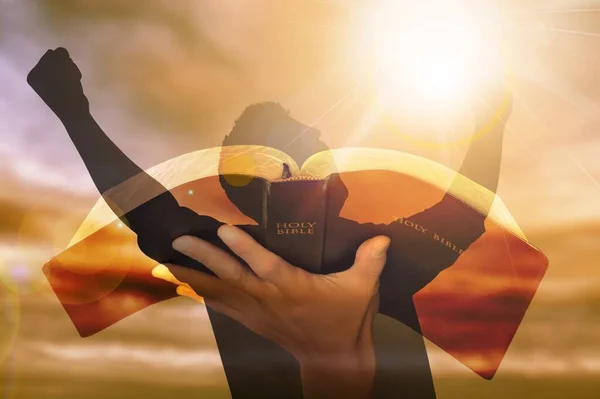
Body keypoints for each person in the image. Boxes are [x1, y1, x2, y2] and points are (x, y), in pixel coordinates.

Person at [28, 47, 512, 398]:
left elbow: (151, 216)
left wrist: (76, 116)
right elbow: (463, 213)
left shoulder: (238, 258)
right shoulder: (376, 253)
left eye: (318, 140)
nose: (324, 150)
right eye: (301, 146)